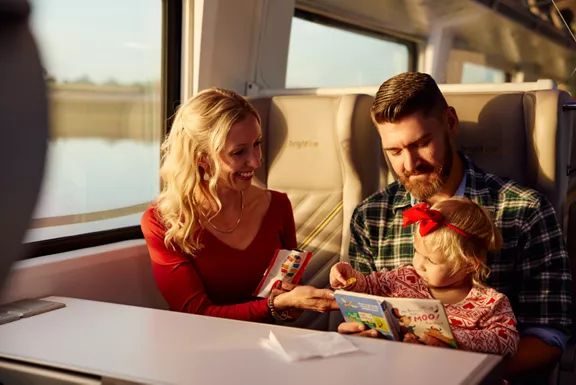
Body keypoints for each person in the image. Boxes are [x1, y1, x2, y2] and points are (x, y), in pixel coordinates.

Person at [337, 72, 572, 383]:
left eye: (421, 143)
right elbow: (364, 313)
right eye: (394, 152)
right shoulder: (371, 215)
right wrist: (360, 334)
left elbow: (548, 334)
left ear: (450, 122)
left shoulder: (524, 210)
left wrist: (465, 376)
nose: (409, 164)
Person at [141, 87, 338, 323]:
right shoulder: (163, 221)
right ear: (201, 158)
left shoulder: (278, 205)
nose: (255, 161)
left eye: (257, 144)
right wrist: (274, 305)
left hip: (269, 345)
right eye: (239, 152)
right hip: (201, 348)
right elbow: (195, 313)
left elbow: (287, 298)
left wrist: (290, 304)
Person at [331, 197, 519, 356]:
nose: (418, 263)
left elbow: (508, 340)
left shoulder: (489, 303)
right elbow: (368, 286)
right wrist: (349, 278)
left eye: (431, 260)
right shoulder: (403, 278)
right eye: (416, 251)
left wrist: (452, 338)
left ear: (469, 265)